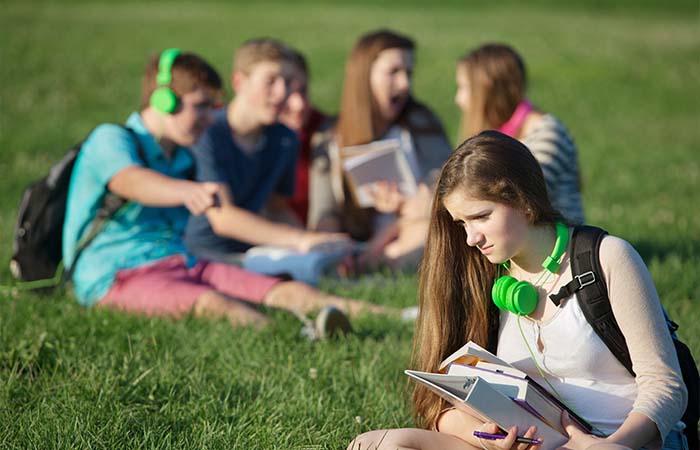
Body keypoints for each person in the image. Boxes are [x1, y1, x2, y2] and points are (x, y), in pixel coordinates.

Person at [348, 131, 687, 450]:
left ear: (523, 200)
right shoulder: (482, 273)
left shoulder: (607, 256)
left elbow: (666, 388)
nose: (470, 238)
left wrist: (610, 445)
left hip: (622, 441)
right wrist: (483, 436)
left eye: (481, 216)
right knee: (374, 444)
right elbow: (441, 407)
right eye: (462, 223)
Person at [63, 49, 387, 332]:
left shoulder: (184, 153)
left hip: (183, 261)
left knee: (284, 291)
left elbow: (234, 208)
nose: (210, 118)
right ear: (165, 101)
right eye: (201, 106)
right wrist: (186, 191)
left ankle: (399, 316)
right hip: (113, 275)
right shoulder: (111, 138)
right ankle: (298, 342)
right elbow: (131, 182)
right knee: (214, 304)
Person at [184, 38, 346, 265]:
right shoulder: (208, 132)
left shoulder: (285, 138)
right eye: (271, 81)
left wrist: (319, 245)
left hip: (254, 250)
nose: (282, 93)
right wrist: (300, 240)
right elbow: (223, 218)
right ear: (239, 82)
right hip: (200, 252)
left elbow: (277, 208)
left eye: (288, 82)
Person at [308, 29, 453, 271]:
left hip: (417, 227)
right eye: (393, 72)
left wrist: (401, 210)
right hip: (357, 241)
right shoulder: (329, 136)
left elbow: (444, 188)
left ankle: (384, 263)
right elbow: (324, 211)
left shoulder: (422, 123)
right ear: (364, 77)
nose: (404, 83)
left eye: (409, 73)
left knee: (423, 234)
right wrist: (332, 247)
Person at [455, 43, 585, 225]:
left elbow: (518, 199)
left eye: (464, 87)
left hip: (559, 244)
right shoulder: (496, 134)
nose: (458, 99)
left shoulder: (546, 133)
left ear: (487, 88)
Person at [278, 46, 333, 226]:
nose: (299, 105)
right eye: (288, 93)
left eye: (303, 91)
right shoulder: (249, 138)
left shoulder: (326, 129)